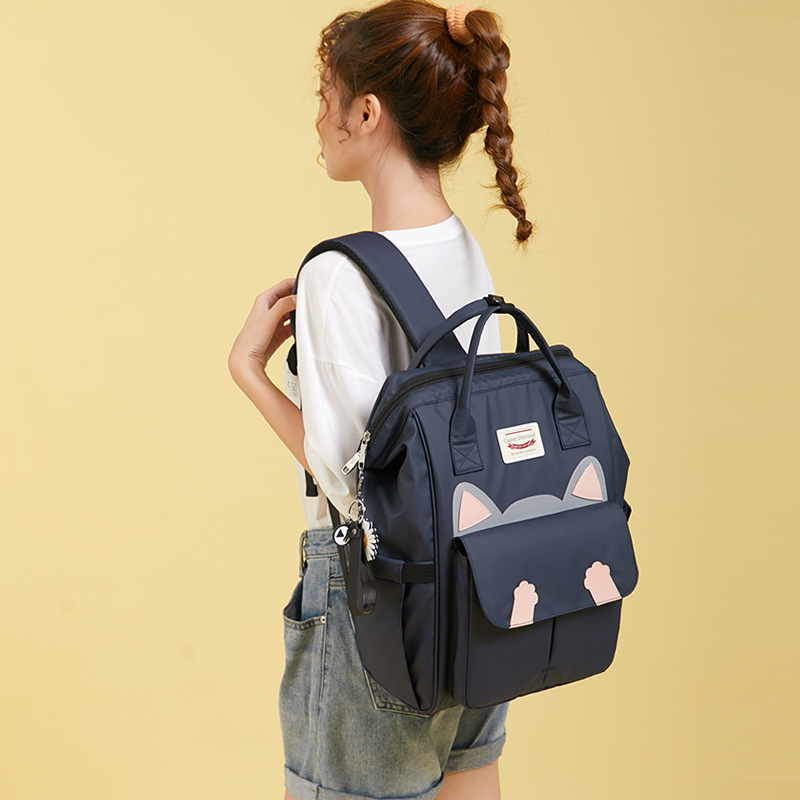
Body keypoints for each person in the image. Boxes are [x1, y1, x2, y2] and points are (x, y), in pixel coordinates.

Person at [228, 2, 534, 798]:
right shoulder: (461, 246)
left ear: (367, 113)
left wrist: (251, 371)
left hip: (379, 600)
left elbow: (351, 483)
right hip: (478, 583)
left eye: (325, 96)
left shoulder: (339, 273)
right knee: (471, 776)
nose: (318, 118)